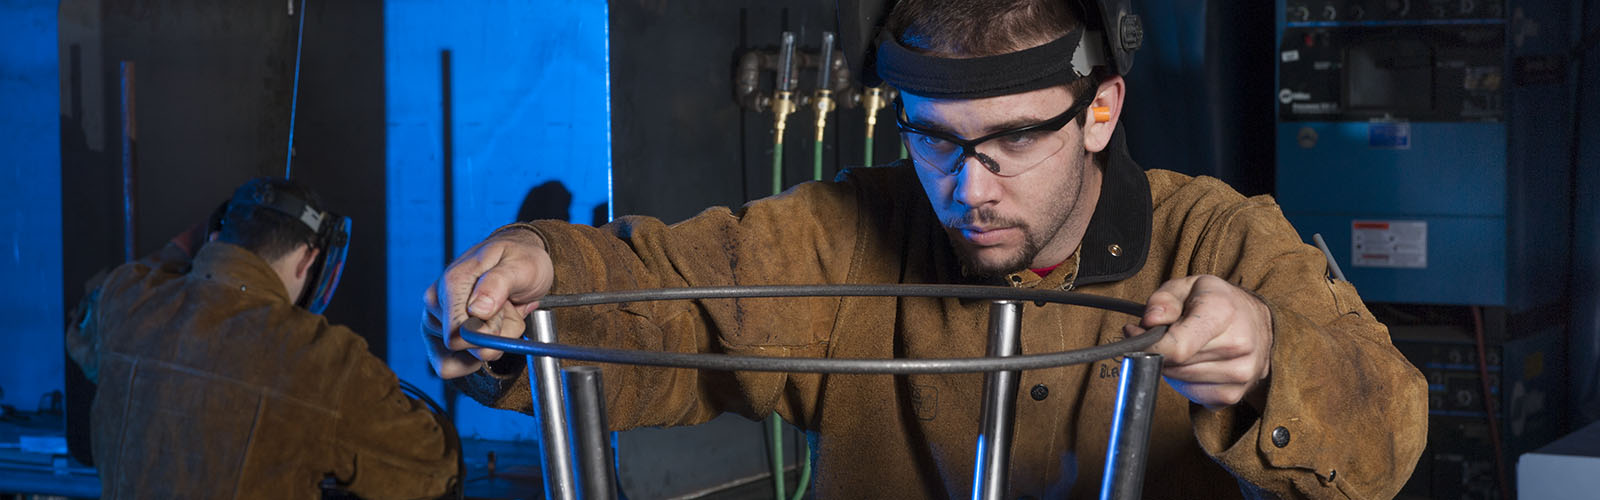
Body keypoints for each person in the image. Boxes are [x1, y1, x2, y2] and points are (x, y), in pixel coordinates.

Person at [422, 0, 1428, 497]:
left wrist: (1269, 364)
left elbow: (1388, 430)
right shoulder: (849, 228)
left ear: (1099, 109)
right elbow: (676, 290)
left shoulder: (1216, 230)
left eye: (1014, 140)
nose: (968, 186)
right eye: (934, 138)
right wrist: (544, 271)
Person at [68, 178, 459, 499]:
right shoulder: (322, 358)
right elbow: (433, 468)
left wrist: (199, 246)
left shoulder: (127, 302)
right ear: (309, 259)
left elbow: (82, 336)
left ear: (216, 236)